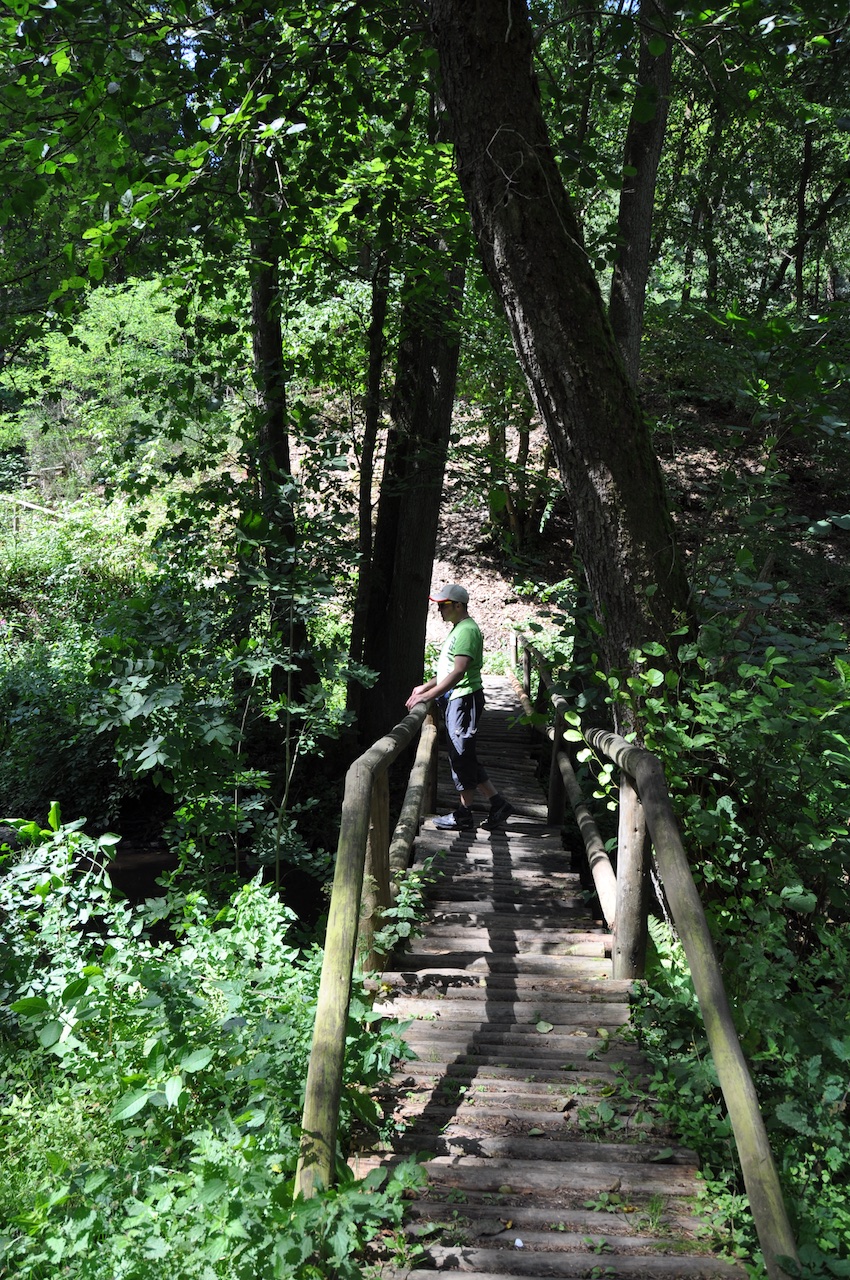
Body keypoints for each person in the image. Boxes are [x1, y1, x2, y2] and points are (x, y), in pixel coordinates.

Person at [406, 583, 514, 832]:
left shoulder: (466, 630)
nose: (439, 611)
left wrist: (430, 694)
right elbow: (447, 671)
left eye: (443, 606)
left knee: (461, 756)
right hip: (459, 699)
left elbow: (459, 672)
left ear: (458, 605)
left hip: (464, 699)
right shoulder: (460, 629)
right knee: (463, 755)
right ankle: (498, 803)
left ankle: (464, 815)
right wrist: (425, 687)